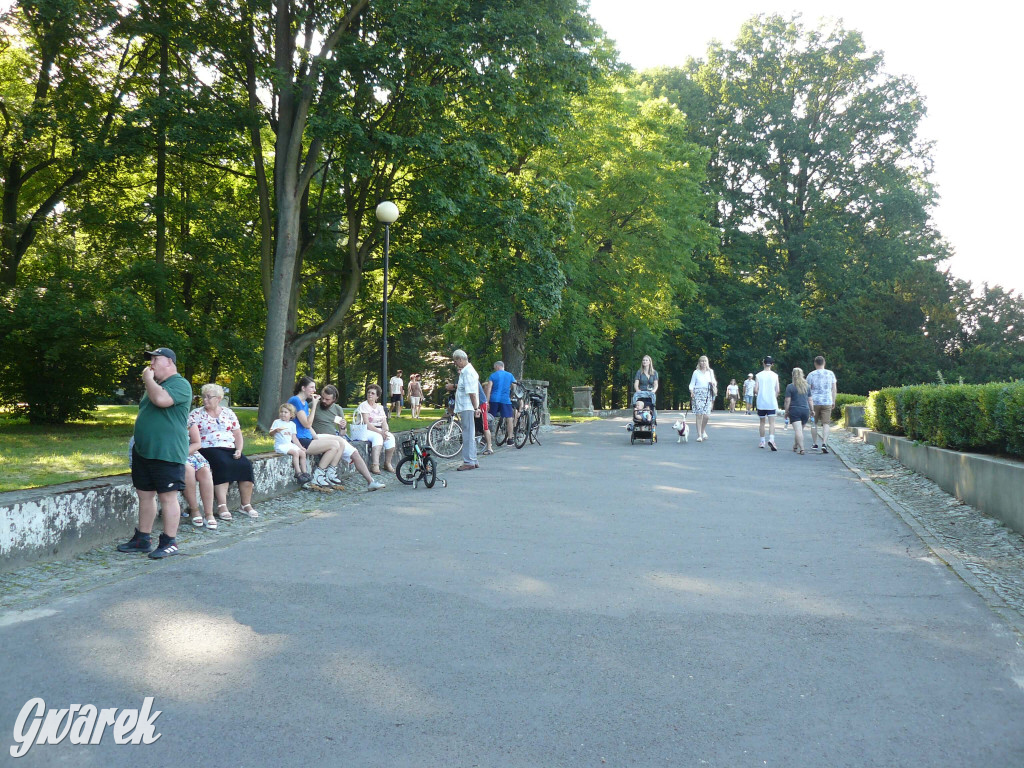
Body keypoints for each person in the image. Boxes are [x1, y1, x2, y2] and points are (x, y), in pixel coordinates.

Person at [117, 347, 191, 559]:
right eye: (150, 360)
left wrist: (147, 380)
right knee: (145, 495)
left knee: (167, 497)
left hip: (166, 451)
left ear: (169, 361)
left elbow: (162, 401)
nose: (151, 364)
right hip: (144, 451)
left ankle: (169, 541)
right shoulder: (155, 385)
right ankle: (143, 538)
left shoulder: (180, 384)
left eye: (155, 360)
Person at [188, 383, 259, 518]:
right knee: (222, 463)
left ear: (219, 398)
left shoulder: (228, 413)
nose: (205, 400)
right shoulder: (196, 414)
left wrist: (239, 449)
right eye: (204, 397)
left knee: (245, 465)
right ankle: (222, 505)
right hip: (207, 447)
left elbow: (237, 434)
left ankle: (245, 504)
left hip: (228, 447)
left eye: (209, 397)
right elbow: (192, 436)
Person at [312, 384, 386, 490]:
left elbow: (342, 433)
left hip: (335, 438)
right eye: (323, 398)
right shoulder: (314, 405)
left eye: (327, 399)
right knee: (339, 442)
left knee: (355, 453)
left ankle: (371, 482)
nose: (324, 401)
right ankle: (327, 474)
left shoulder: (337, 409)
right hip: (319, 437)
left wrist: (343, 427)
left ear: (334, 399)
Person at [289, 376, 345, 489]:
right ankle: (318, 476)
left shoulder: (303, 402)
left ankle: (329, 473)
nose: (314, 390)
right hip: (299, 440)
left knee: (340, 441)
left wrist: (317, 438)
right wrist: (314, 405)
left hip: (307, 437)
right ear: (303, 388)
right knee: (334, 445)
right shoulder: (295, 400)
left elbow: (308, 428)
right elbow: (307, 424)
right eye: (312, 387)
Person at [353, 384, 396, 474]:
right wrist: (380, 432)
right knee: (378, 437)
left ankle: (387, 463)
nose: (370, 395)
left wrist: (385, 431)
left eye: (372, 393)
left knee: (390, 437)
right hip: (364, 429)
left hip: (378, 429)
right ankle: (375, 465)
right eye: (368, 392)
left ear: (377, 396)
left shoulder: (380, 407)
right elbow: (366, 423)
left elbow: (384, 421)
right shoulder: (364, 405)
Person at [453, 349, 481, 470]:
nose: (455, 364)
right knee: (470, 433)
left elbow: (472, 393)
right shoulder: (468, 371)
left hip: (468, 407)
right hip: (468, 407)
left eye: (455, 361)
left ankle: (468, 461)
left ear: (460, 359)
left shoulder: (467, 372)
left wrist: (476, 408)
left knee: (467, 434)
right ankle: (473, 459)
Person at [270, 402, 310, 481]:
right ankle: (298, 473)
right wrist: (275, 430)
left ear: (291, 415)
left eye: (285, 412)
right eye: (281, 412)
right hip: (281, 445)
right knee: (295, 453)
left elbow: (294, 438)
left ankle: (305, 472)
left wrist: (301, 447)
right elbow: (270, 433)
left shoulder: (292, 424)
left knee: (302, 453)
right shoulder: (277, 422)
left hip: (289, 444)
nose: (283, 414)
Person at [807, 355, 838, 454]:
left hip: (814, 402)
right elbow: (834, 389)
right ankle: (824, 443)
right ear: (824, 363)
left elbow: (808, 390)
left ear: (815, 364)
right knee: (826, 423)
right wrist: (833, 400)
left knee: (814, 423)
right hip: (827, 401)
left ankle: (815, 443)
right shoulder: (831, 374)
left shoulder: (811, 375)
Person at [185, 434, 216, 529]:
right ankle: (194, 510)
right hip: (173, 454)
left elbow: (197, 443)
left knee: (205, 472)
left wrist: (185, 452)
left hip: (190, 452)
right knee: (188, 470)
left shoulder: (188, 420)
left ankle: (209, 513)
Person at [688, 355, 717, 442]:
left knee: (707, 415)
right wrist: (691, 391)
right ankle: (699, 435)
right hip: (698, 394)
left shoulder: (710, 372)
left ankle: (703, 430)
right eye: (702, 361)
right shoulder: (696, 372)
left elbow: (714, 382)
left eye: (705, 361)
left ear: (707, 362)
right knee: (699, 414)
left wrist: (713, 384)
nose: (703, 363)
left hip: (708, 394)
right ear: (699, 363)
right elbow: (692, 384)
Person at [754, 356, 781, 451]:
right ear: (772, 364)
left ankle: (762, 441)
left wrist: (759, 394)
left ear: (763, 363)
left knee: (762, 422)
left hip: (761, 402)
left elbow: (756, 389)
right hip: (771, 402)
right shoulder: (775, 375)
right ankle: (771, 439)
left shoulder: (758, 375)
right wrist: (774, 397)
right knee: (772, 423)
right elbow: (777, 390)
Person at [488, 361, 517, 446]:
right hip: (505, 399)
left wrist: (487, 401)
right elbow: (515, 386)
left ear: (497, 366)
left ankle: (486, 437)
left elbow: (489, 388)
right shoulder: (510, 375)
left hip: (494, 399)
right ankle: (510, 438)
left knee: (489, 417)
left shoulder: (493, 375)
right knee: (509, 418)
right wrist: (511, 395)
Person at [785, 368, 811, 454]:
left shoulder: (790, 387)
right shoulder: (807, 386)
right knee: (800, 430)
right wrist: (812, 410)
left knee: (798, 430)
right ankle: (795, 445)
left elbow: (787, 401)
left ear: (793, 375)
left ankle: (802, 448)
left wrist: (786, 411)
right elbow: (810, 400)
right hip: (805, 410)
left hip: (795, 410)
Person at [477, 379, 494, 455]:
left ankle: (489, 447)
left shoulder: (472, 379)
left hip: (481, 404)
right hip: (473, 405)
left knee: (485, 426)